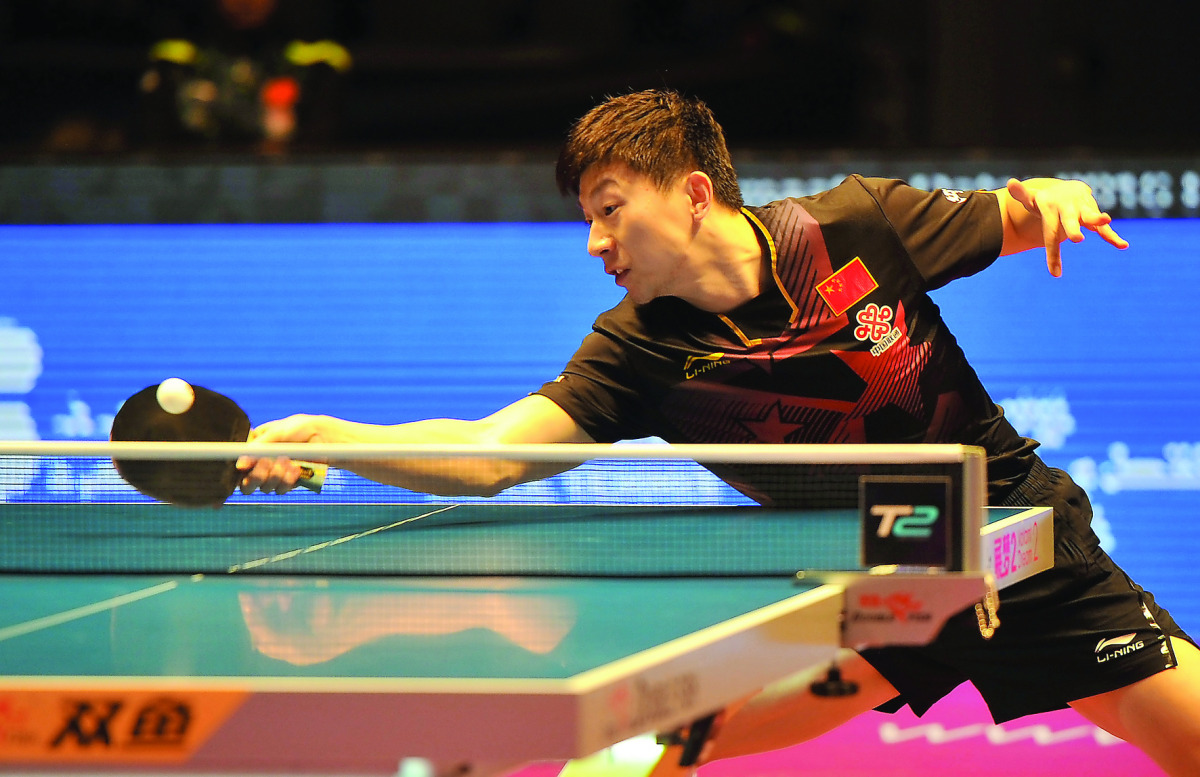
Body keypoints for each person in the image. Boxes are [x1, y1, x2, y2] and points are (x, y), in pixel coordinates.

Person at [238, 89, 1200, 775]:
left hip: (1017, 553)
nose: (595, 244)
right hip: (870, 589)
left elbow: (1028, 213)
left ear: (695, 194)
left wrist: (1055, 191)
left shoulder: (857, 225)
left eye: (611, 211)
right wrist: (329, 432)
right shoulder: (637, 351)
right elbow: (494, 454)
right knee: (671, 729)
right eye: (587, 219)